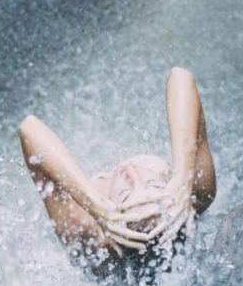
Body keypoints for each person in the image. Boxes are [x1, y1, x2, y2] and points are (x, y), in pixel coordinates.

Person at [18, 67, 216, 263]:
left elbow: (29, 128)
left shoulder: (89, 235)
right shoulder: (194, 194)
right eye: (152, 185)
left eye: (125, 194)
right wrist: (183, 176)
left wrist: (94, 205)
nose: (132, 174)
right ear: (174, 192)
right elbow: (181, 76)